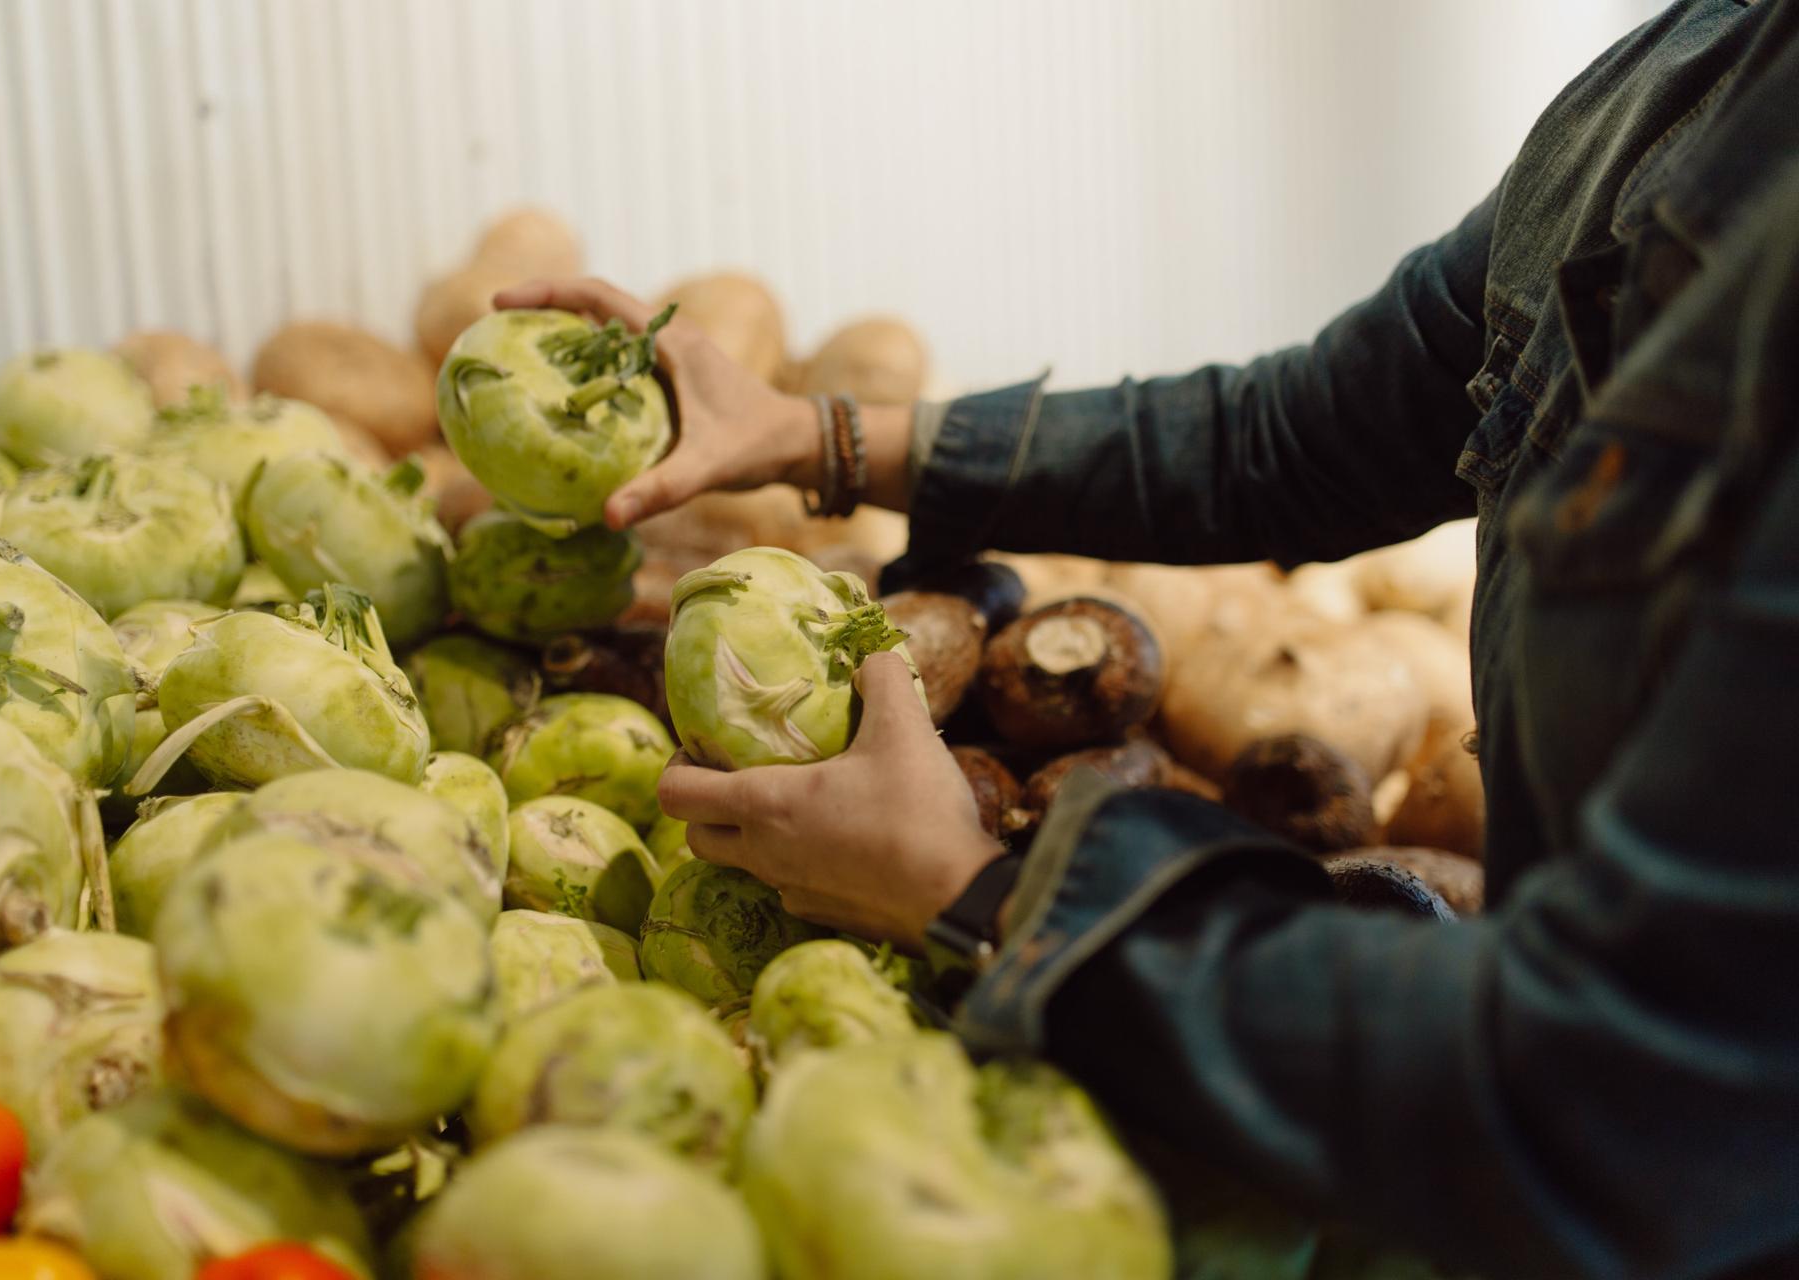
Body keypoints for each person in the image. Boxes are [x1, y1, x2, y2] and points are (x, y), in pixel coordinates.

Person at [498, 2, 1799, 1275]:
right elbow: (1308, 431)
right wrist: (819, 437)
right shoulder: (1684, 74)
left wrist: (977, 898)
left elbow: (1624, 1105)